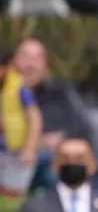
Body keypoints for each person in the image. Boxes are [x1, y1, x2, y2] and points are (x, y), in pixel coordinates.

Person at [13, 37, 92, 191]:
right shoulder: (5, 94)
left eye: (36, 59)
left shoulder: (60, 92)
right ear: (14, 62)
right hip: (10, 158)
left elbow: (82, 127)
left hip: (49, 160)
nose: (31, 65)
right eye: (25, 57)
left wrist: (60, 139)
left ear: (44, 64)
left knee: (58, 169)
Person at [0, 46, 42, 196]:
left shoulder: (19, 88)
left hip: (15, 151)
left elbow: (34, 119)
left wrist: (29, 149)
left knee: (12, 194)